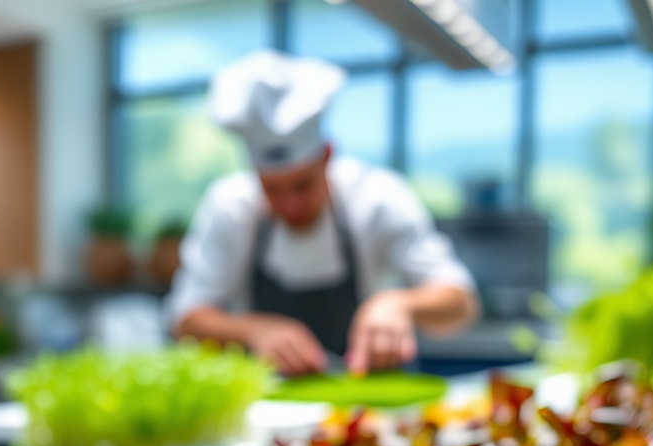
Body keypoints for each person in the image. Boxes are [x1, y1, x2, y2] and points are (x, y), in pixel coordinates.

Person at [166, 50, 479, 376]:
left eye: (302, 185)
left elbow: (461, 303)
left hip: (369, 402)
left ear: (327, 156)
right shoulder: (229, 205)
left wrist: (399, 304)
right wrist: (252, 330)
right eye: (272, 189)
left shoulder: (377, 196)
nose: (290, 205)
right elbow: (185, 322)